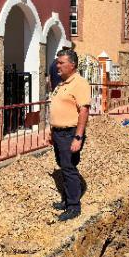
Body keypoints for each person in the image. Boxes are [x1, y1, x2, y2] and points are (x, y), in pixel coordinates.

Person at [48, 49, 91, 221]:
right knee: (63, 166)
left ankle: (74, 206)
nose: (57, 65)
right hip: (58, 133)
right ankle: (67, 200)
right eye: (57, 62)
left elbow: (84, 111)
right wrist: (52, 132)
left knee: (69, 168)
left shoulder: (79, 83)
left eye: (61, 63)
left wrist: (78, 137)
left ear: (72, 65)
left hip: (70, 133)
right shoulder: (61, 83)